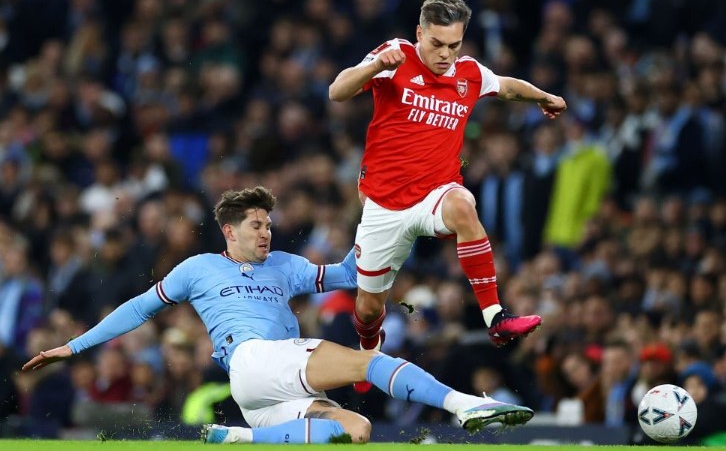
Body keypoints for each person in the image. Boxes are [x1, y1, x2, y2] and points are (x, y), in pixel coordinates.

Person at [22, 186, 534, 444]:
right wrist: (74, 346)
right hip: (254, 361)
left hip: (264, 396)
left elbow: (354, 274)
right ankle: (463, 404)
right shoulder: (197, 268)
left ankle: (241, 438)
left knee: (355, 430)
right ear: (230, 231)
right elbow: (137, 309)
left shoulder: (286, 266)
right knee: (363, 362)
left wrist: (394, 232)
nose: (267, 232)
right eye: (256, 225)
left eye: (269, 224)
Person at [328, 0, 567, 390]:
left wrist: (542, 96)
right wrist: (374, 67)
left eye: (453, 46)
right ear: (420, 33)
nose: (444, 54)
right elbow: (337, 91)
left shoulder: (468, 73)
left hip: (436, 193)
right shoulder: (396, 54)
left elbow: (506, 87)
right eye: (436, 44)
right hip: (384, 205)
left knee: (463, 203)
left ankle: (495, 317)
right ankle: (369, 346)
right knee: (369, 308)